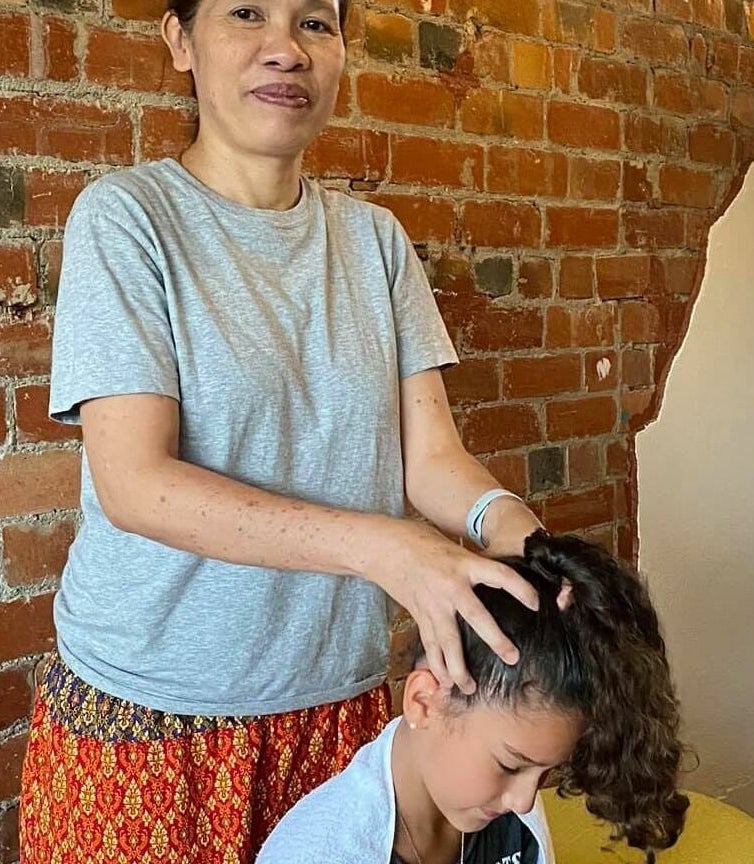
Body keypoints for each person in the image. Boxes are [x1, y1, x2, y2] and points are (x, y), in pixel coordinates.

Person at [20, 0, 545, 861]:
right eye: (248, 14)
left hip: (333, 708)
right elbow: (136, 484)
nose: (285, 51)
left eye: (315, 24)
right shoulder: (127, 219)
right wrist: (387, 550)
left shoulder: (376, 243)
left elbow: (431, 457)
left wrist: (510, 526)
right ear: (181, 40)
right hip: (156, 718)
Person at [257, 531, 690, 864]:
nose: (524, 801)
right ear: (424, 702)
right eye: (510, 766)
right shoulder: (320, 850)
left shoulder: (509, 822)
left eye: (544, 774)